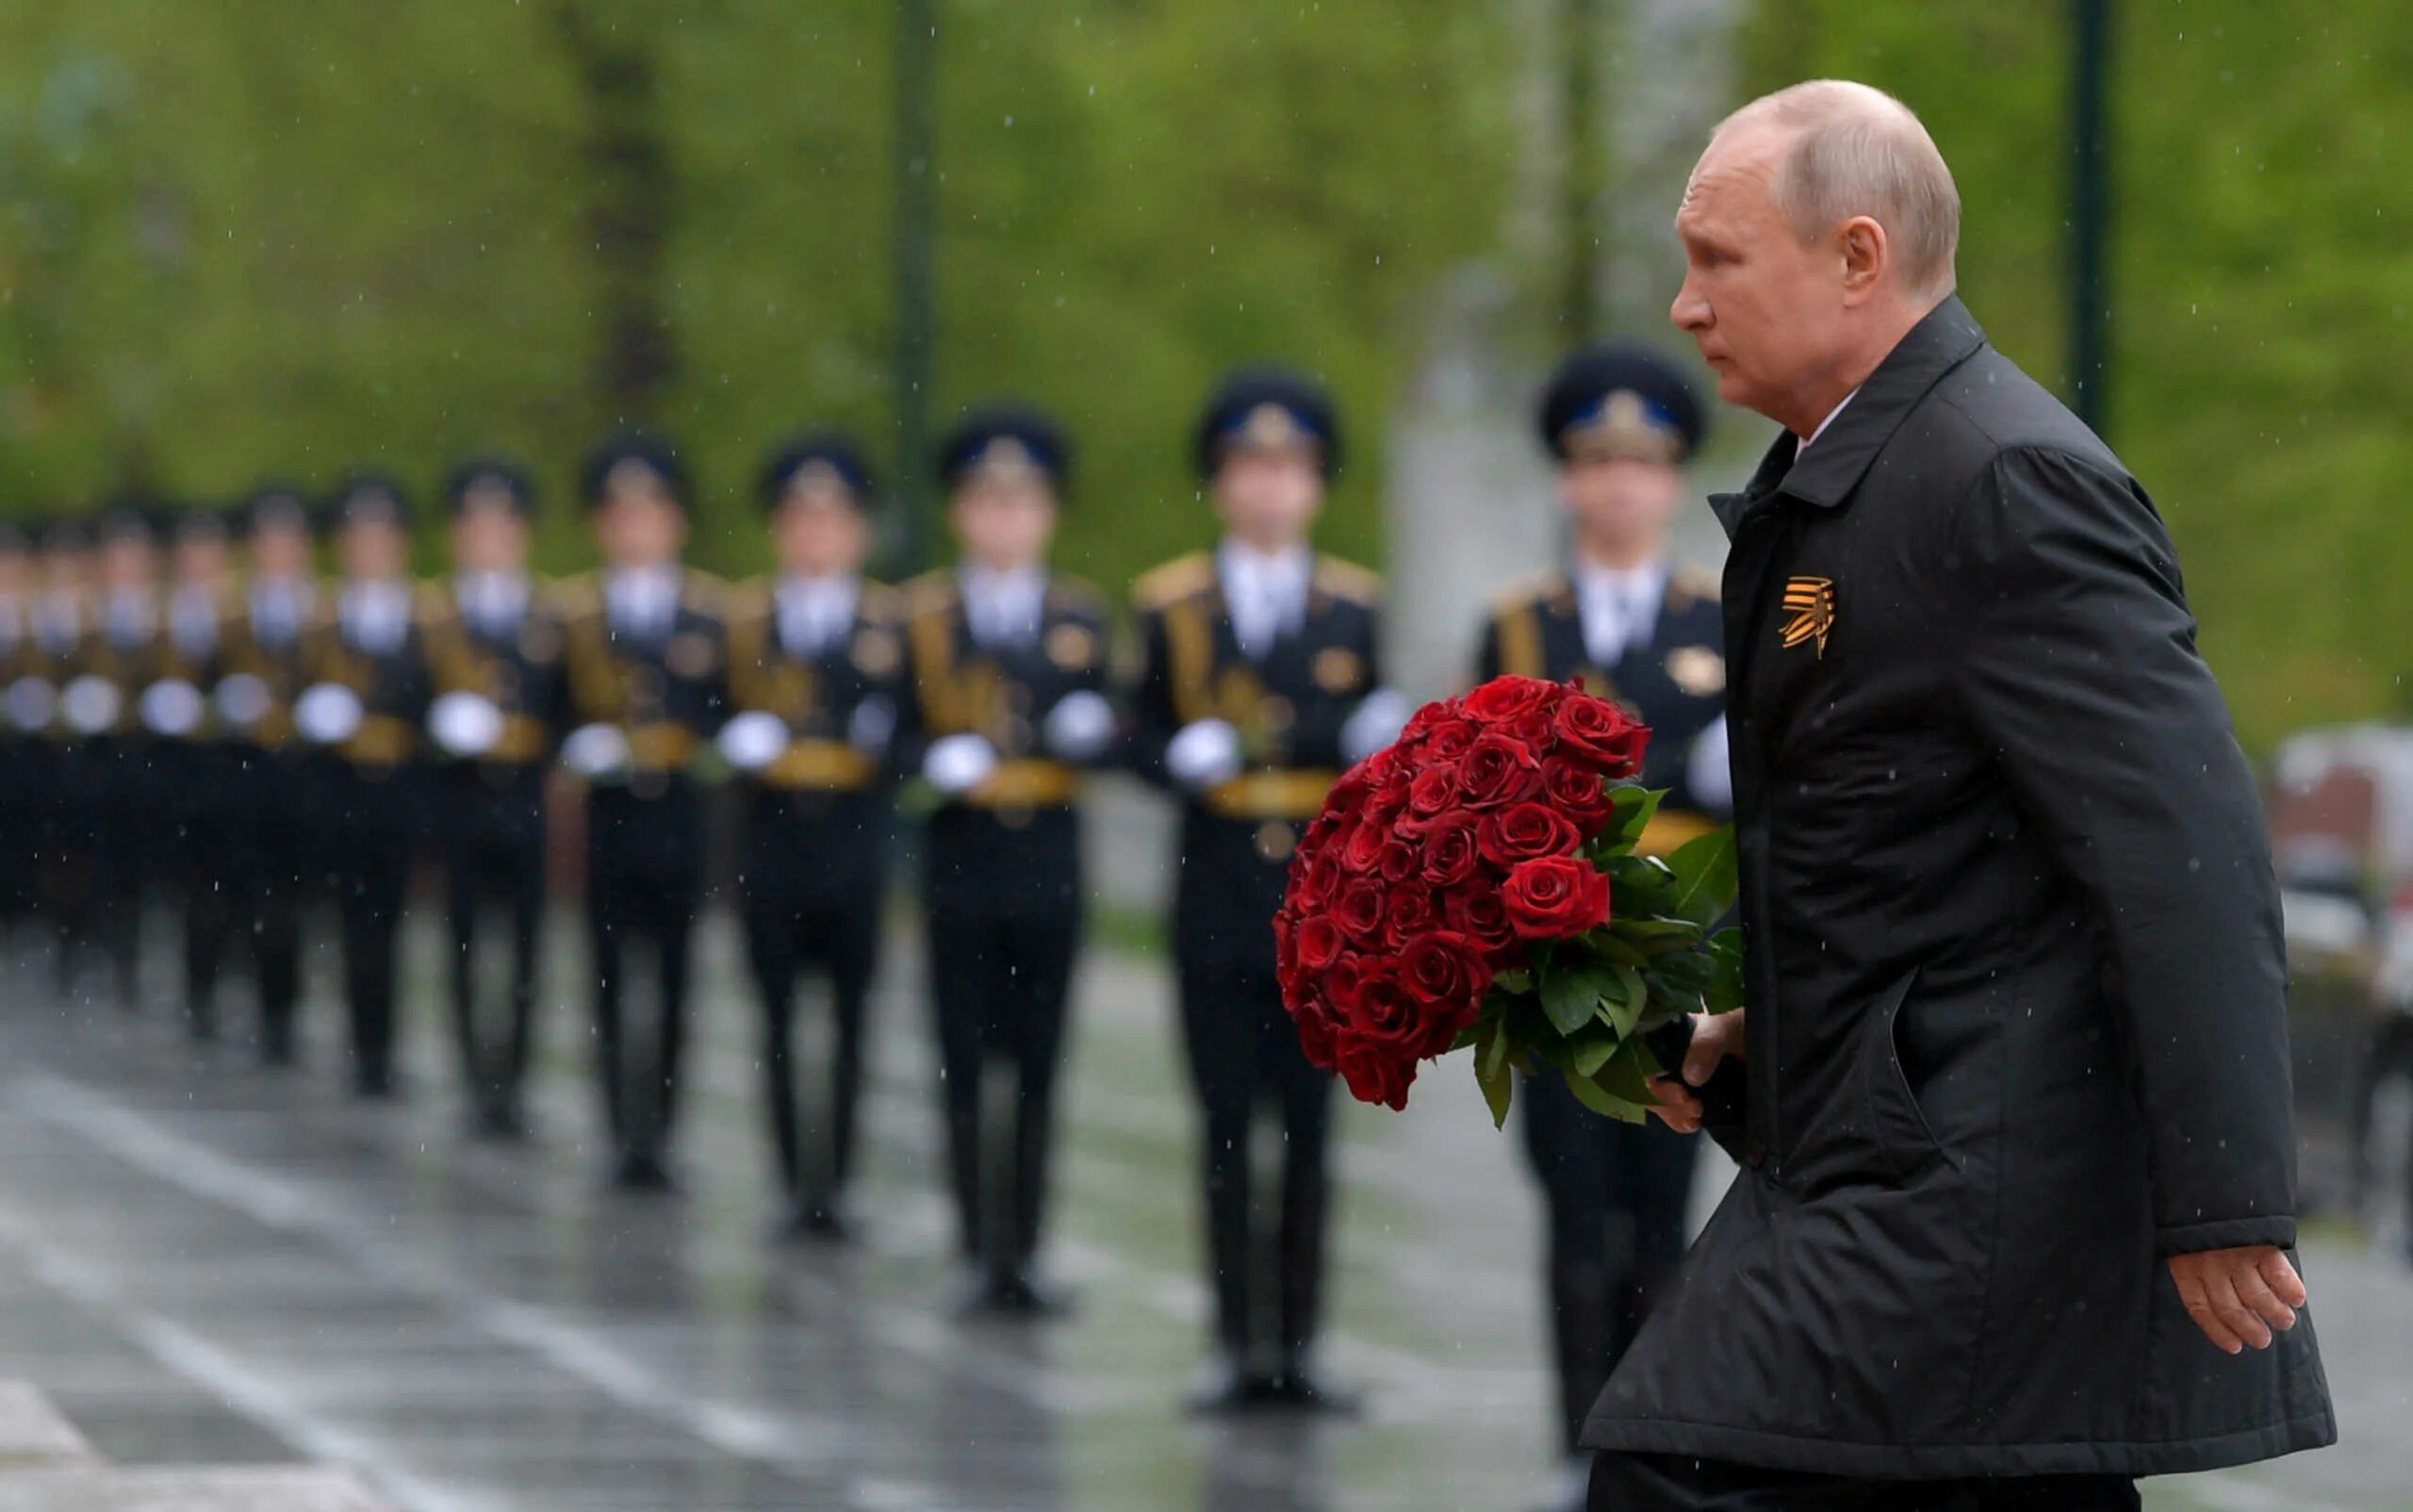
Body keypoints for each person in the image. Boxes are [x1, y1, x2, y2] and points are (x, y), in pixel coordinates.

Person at [1582, 80, 2334, 1510]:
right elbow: (1926, 856)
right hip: (1899, 1158)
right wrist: (1773, 1036)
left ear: (1858, 258)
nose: (1684, 306)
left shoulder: (2001, 479)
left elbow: (2185, 851)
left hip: (1969, 1189)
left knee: (1679, 1466)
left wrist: (2228, 1195)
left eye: (1719, 260)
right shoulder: (1853, 473)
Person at [1476, 343, 1729, 1510]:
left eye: (1643, 463)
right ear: (1570, 481)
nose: (1621, 485)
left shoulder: (1720, 617)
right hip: (1558, 943)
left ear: (1672, 480)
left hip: (1675, 943)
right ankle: (1579, 1438)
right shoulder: (1522, 625)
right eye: (1599, 463)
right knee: (1577, 1201)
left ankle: (1654, 1437)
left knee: (1663, 1200)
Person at [1130, 368, 1405, 1411]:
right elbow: (1131, 733)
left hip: (1322, 908)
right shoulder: (1171, 606)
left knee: (1308, 1134)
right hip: (1214, 895)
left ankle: (1299, 1341)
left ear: (1317, 485)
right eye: (1250, 466)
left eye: (1289, 468)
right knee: (1223, 1129)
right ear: (1220, 482)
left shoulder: (1353, 605)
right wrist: (1174, 754)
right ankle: (1232, 1340)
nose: (1269, 488)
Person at [901, 403, 1116, 1314]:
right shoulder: (919, 618)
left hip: (1049, 857)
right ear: (962, 512)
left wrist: (1096, 729)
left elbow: (1120, 720)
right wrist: (927, 760)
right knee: (962, 1054)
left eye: (1022, 502)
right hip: (961, 857)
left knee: (1037, 1061)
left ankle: (1024, 1247)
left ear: (1047, 514)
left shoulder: (1078, 615)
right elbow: (886, 734)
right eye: (988, 501)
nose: (1004, 519)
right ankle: (973, 1246)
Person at [722, 436, 905, 1240]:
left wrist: (886, 742)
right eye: (801, 521)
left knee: (854, 1022)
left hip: (855, 844)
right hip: (772, 842)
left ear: (858, 533)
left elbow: (920, 725)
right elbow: (703, 706)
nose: (817, 537)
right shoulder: (744, 622)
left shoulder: (893, 626)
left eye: (833, 522)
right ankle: (793, 1180)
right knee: (776, 1019)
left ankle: (841, 1182)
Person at [559, 435, 728, 1192]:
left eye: (652, 515)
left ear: (676, 524)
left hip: (679, 810)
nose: (638, 531)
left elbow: (729, 708)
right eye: (623, 516)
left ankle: (662, 1131)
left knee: (674, 979)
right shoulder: (575, 613)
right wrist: (577, 744)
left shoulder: (713, 614)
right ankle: (617, 1133)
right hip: (609, 813)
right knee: (605, 979)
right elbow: (545, 705)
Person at [422, 460, 566, 1140]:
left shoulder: (551, 615)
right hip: (460, 801)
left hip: (527, 800)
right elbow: (401, 698)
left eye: (500, 525)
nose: (488, 538)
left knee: (528, 950)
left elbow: (570, 705)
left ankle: (514, 1083)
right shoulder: (435, 617)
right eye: (474, 526)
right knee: (461, 945)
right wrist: (438, 725)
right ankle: (473, 1080)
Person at [294, 474, 433, 1098]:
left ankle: (389, 1048)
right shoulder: (322, 621)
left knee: (399, 926)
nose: (369, 550)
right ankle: (361, 1046)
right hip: (340, 792)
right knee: (351, 924)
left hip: (405, 792)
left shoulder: (430, 620)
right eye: (358, 538)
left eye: (381, 538)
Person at [215, 485, 324, 1065]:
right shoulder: (234, 617)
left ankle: (289, 1011)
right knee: (251, 900)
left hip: (308, 778)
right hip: (248, 776)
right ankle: (264, 1010)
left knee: (301, 905)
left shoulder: (325, 613)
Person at [151, 507, 238, 1040]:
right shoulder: (167, 620)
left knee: (230, 885)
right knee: (188, 886)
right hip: (177, 770)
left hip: (229, 769)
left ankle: (219, 987)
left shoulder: (239, 618)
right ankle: (195, 988)